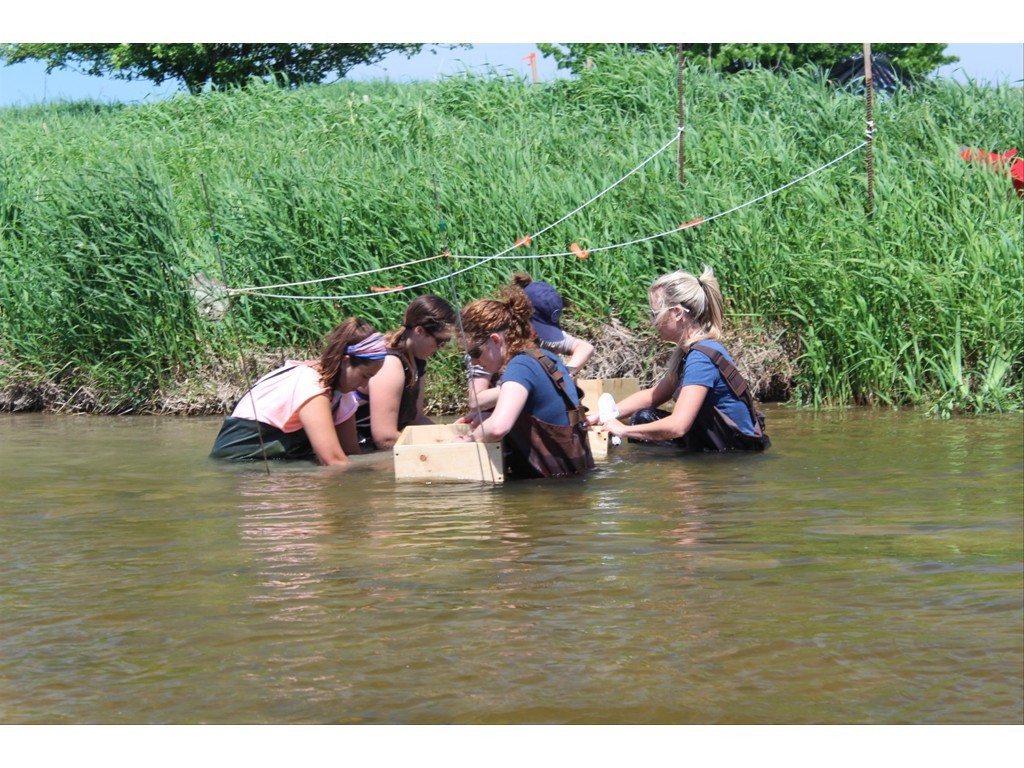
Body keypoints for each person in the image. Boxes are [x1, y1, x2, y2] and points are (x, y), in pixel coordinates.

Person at [595, 266, 770, 452]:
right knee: (644, 417)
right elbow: (653, 396)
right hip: (722, 447)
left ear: (678, 313)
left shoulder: (701, 359)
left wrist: (624, 430)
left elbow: (678, 426)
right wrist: (601, 416)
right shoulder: (689, 353)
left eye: (655, 314)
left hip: (736, 455)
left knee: (641, 423)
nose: (652, 322)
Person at [454, 285, 594, 479]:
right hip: (575, 481)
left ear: (495, 340)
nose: (474, 361)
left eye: (474, 353)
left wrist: (468, 440)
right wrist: (488, 417)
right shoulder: (546, 358)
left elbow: (498, 428)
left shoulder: (520, 366)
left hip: (552, 490)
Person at [210, 318, 387, 465]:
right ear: (346, 362)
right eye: (365, 376)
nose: (365, 385)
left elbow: (351, 453)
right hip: (240, 465)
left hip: (281, 460)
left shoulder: (342, 394)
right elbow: (333, 461)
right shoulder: (310, 384)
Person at [467, 272, 594, 413]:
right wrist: (526, 385)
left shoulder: (537, 336)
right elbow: (476, 400)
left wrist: (565, 373)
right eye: (539, 327)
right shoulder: (486, 348)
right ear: (520, 317)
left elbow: (585, 347)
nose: (540, 334)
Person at [355, 294, 456, 450]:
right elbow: (384, 438)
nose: (441, 348)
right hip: (361, 449)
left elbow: (416, 420)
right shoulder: (390, 365)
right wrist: (442, 447)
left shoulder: (417, 361)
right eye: (440, 341)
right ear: (419, 331)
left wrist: (453, 437)